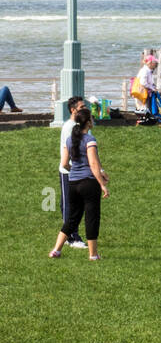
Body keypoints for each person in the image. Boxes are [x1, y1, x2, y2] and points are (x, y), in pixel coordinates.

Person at [49, 107, 108, 260]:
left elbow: (64, 163)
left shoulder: (70, 140)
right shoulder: (90, 140)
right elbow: (93, 164)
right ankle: (93, 255)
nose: (93, 121)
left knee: (72, 218)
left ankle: (56, 250)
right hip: (89, 183)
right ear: (88, 122)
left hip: (73, 183)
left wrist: (75, 169)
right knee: (91, 217)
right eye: (92, 119)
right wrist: (102, 184)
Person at [57, 96, 89, 249]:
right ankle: (71, 237)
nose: (85, 109)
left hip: (76, 171)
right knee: (68, 205)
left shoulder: (77, 126)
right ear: (73, 110)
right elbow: (68, 154)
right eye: (82, 107)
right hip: (68, 171)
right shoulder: (69, 127)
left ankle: (73, 236)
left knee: (76, 205)